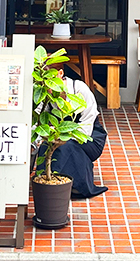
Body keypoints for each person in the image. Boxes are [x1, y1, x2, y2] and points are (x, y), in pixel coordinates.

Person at [38, 69, 109, 198]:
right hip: (60, 132)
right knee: (46, 148)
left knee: (66, 146)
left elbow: (86, 127)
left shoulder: (79, 89)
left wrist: (60, 135)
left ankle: (74, 186)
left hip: (90, 137)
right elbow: (38, 119)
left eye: (52, 78)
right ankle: (50, 180)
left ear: (60, 73)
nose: (49, 85)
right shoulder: (45, 93)